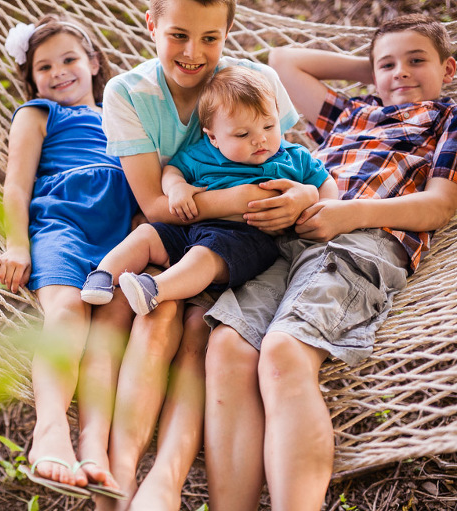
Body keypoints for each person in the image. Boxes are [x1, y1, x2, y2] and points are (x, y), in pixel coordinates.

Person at [74, 0, 322, 509]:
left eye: (211, 38)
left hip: (238, 246)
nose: (193, 53)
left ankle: (162, 480)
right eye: (179, 35)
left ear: (229, 32)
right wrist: (249, 198)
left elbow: (291, 160)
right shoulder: (129, 92)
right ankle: (115, 478)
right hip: (167, 232)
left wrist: (302, 197)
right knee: (145, 313)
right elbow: (157, 204)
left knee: (192, 329)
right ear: (151, 25)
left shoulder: (252, 81)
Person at [203, 13, 457, 510]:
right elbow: (282, 63)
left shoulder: (447, 120)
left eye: (417, 61)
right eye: (388, 64)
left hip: (361, 241)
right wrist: (377, 69)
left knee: (283, 353)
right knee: (228, 348)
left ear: (449, 69)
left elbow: (441, 206)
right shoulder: (352, 110)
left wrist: (346, 213)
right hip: (290, 242)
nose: (401, 72)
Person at [0, 14, 138, 498]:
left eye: (69, 59)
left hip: (119, 236)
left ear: (94, 63)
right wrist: (17, 244)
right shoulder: (38, 114)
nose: (58, 72)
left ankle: (94, 445)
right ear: (31, 80)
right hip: (62, 224)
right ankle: (49, 432)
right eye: (44, 66)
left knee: (110, 328)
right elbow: (16, 182)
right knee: (68, 311)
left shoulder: (125, 115)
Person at [80, 66, 336, 316]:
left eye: (269, 127)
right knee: (147, 233)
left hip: (246, 239)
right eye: (243, 134)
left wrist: (322, 210)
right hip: (191, 226)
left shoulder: (293, 157)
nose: (260, 139)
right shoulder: (203, 154)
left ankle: (155, 290)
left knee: (205, 255)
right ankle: (103, 276)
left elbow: (325, 182)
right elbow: (173, 170)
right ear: (213, 137)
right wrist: (177, 188)